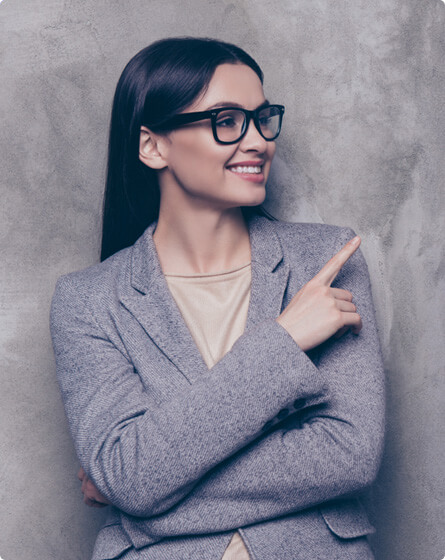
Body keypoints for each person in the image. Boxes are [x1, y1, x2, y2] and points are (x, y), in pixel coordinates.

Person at [50, 37, 385, 560]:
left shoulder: (327, 260)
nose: (257, 141)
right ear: (152, 146)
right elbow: (128, 472)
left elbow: (349, 455)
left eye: (262, 118)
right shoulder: (87, 301)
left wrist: (140, 495)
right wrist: (283, 342)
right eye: (226, 120)